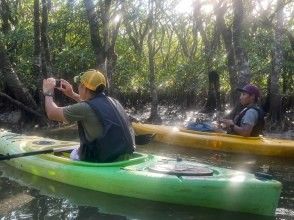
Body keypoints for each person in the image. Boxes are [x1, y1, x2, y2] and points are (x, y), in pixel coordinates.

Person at [42, 69, 135, 162]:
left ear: (83, 87)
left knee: (75, 153)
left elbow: (52, 113)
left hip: (103, 160)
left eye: (79, 84)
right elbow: (91, 106)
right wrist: (72, 94)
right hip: (124, 154)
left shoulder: (84, 108)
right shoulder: (114, 102)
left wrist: (48, 93)